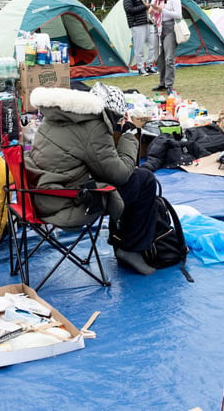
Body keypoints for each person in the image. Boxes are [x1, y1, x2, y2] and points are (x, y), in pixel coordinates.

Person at [26, 83, 160, 275]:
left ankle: (122, 239)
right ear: (110, 113)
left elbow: (82, 157)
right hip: (67, 202)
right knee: (144, 179)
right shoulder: (93, 125)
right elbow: (120, 175)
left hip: (39, 194)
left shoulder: (58, 115)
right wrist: (130, 135)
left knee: (128, 179)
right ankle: (130, 248)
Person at [150, 0, 182, 93]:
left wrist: (162, 10)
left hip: (169, 28)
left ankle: (169, 84)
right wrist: (152, 13)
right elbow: (152, 15)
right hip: (157, 28)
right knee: (159, 58)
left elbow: (178, 15)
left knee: (169, 58)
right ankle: (162, 82)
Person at [123, 0, 156, 76]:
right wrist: (144, 7)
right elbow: (128, 9)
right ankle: (140, 68)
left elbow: (150, 5)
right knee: (139, 47)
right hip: (137, 23)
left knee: (153, 44)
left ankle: (149, 65)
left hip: (149, 21)